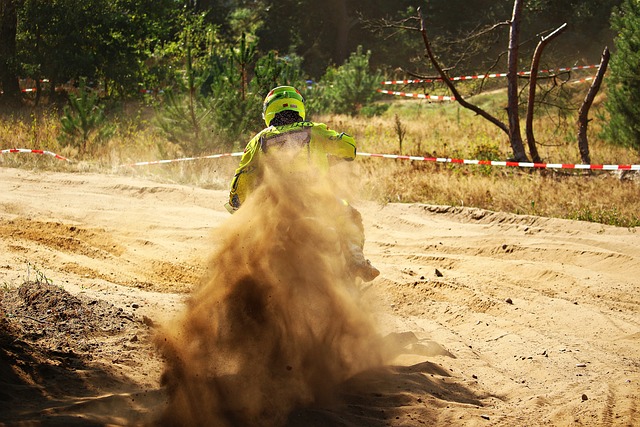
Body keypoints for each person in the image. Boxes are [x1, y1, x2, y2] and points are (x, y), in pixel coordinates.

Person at [226, 85, 379, 282]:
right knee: (350, 215)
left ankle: (244, 278)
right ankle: (356, 261)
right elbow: (348, 148)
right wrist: (340, 149)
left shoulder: (259, 140)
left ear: (268, 112)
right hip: (316, 201)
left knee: (248, 238)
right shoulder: (313, 130)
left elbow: (243, 177)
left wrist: (237, 202)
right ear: (299, 108)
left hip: (275, 207)